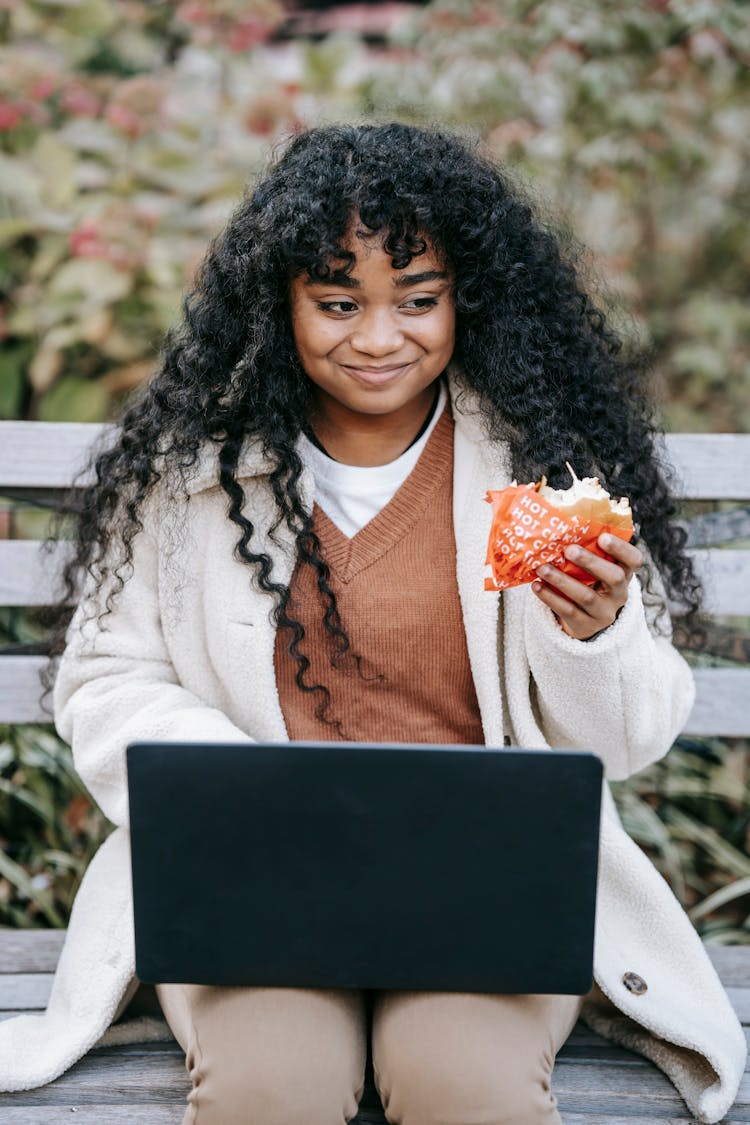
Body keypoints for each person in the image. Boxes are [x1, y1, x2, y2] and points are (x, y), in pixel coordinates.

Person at [0, 123, 744, 1124]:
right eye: (338, 302)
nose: (380, 337)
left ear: (464, 301)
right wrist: (245, 791)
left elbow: (622, 744)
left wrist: (594, 635)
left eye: (420, 301)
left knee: (468, 1086)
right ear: (284, 303)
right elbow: (105, 679)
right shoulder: (194, 481)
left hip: (486, 889)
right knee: (271, 1088)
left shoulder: (542, 473)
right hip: (255, 881)